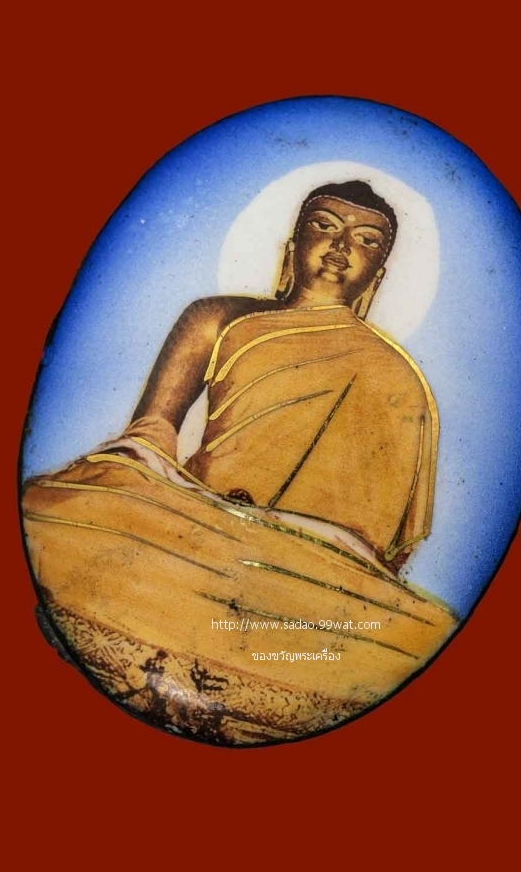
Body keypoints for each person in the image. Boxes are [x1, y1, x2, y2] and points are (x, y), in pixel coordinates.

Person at [23, 180, 455, 746]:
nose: (340, 247)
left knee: (411, 630)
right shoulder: (218, 317)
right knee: (62, 508)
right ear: (292, 244)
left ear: (379, 270)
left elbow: (385, 549)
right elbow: (151, 433)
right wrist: (158, 485)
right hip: (189, 518)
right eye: (324, 226)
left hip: (311, 560)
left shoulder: (397, 377)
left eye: (366, 240)